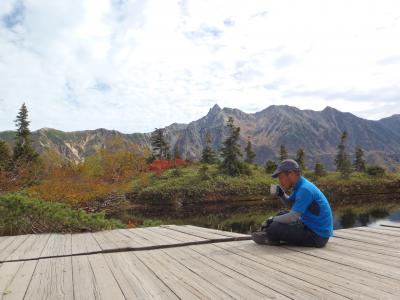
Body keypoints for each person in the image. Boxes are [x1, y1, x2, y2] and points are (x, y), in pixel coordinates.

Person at [252, 159, 333, 247]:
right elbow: (291, 205)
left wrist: (272, 219)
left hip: (317, 236)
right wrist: (281, 194)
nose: (280, 181)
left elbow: (293, 217)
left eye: (281, 177)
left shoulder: (305, 189)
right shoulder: (299, 186)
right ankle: (274, 236)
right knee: (281, 214)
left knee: (274, 227)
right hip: (311, 227)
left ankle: (270, 238)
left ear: (291, 174)